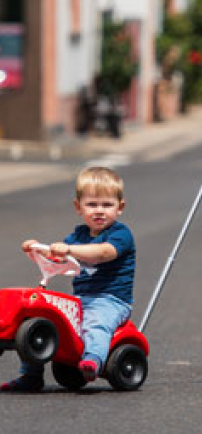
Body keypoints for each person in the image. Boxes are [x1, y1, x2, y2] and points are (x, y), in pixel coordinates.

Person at [1, 166, 135, 392]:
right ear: (78, 207)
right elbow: (58, 256)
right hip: (81, 299)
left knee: (96, 323)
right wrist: (38, 249)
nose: (99, 211)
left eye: (107, 205)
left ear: (120, 207)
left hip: (111, 300)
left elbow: (103, 253)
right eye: (92, 205)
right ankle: (30, 375)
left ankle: (93, 360)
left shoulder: (120, 234)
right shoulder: (78, 235)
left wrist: (70, 250)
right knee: (40, 320)